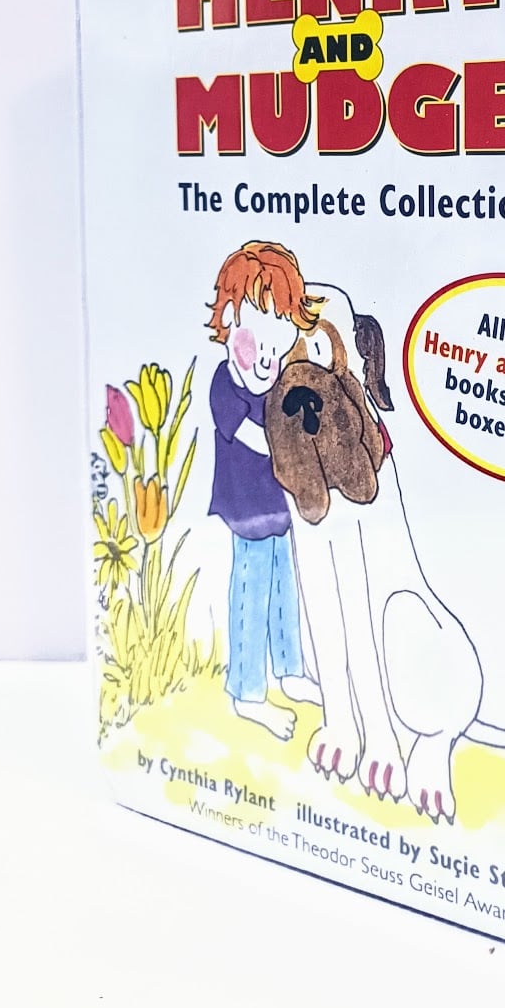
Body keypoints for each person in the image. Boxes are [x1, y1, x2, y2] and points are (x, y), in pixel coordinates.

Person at [205, 240, 321, 740]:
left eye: (281, 334)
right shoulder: (226, 385)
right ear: (230, 321)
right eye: (259, 333)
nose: (269, 353)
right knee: (251, 589)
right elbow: (258, 437)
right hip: (245, 507)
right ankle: (248, 691)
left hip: (279, 507)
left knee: (283, 586)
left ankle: (290, 669)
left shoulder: (278, 384)